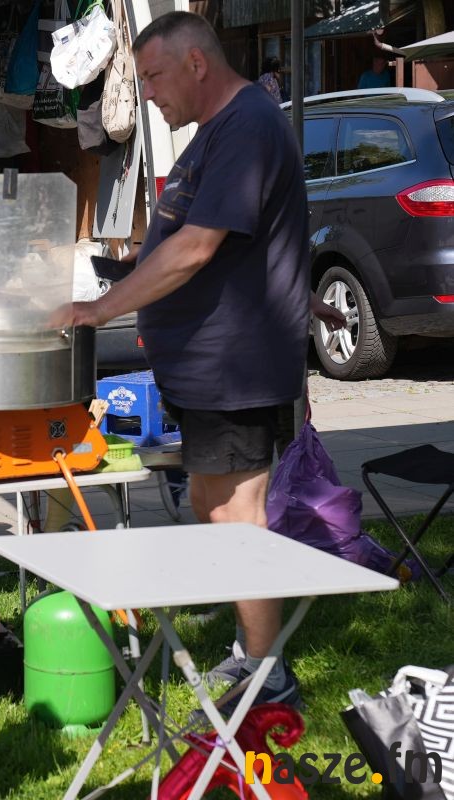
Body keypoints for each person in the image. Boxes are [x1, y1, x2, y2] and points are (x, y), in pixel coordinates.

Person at [72, 11, 311, 710]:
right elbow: (261, 236)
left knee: (237, 511)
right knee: (211, 502)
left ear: (197, 64)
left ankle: (268, 675)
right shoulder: (217, 130)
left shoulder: (246, 126)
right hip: (211, 366)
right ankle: (249, 643)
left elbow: (196, 246)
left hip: (235, 367)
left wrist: (99, 310)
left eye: (152, 76)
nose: (145, 93)